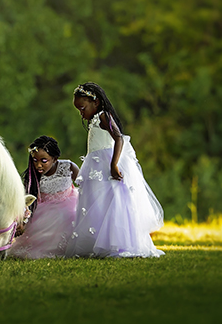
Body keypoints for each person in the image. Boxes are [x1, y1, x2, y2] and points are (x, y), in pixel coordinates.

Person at [65, 82, 165, 258]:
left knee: (112, 202)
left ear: (95, 102)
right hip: (95, 164)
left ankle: (115, 244)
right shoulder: (95, 120)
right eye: (79, 110)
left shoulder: (103, 116)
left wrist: (113, 165)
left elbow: (119, 138)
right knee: (96, 202)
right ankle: (96, 242)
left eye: (82, 108)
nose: (81, 113)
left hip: (105, 164)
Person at [6, 135, 80, 259]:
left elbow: (84, 186)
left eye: (44, 161)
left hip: (69, 206)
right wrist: (22, 222)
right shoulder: (32, 176)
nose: (38, 165)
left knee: (69, 216)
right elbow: (25, 202)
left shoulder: (68, 167)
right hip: (44, 212)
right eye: (35, 160)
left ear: (54, 159)